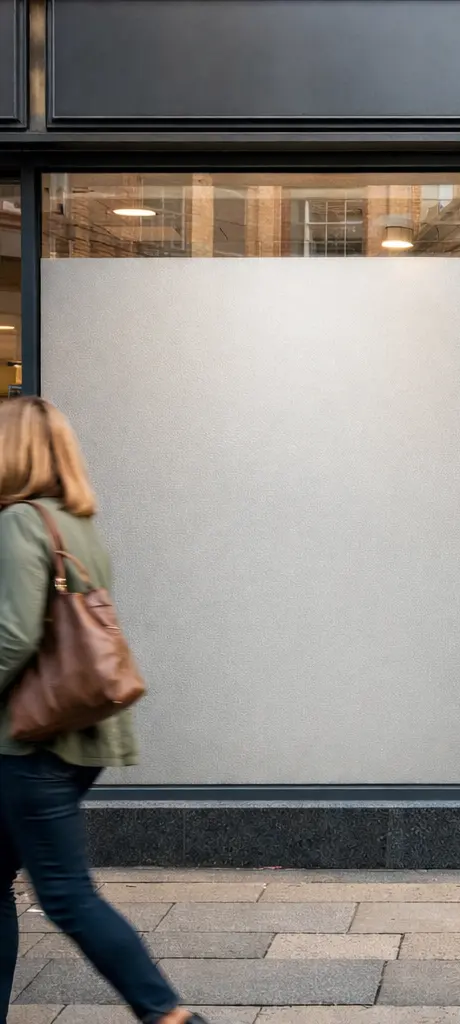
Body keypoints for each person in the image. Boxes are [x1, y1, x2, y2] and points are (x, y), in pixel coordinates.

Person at [0, 397, 206, 1024]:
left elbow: (11, 635)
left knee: (65, 895)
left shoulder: (17, 523)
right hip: (81, 734)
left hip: (33, 740)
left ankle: (169, 1017)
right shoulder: (74, 522)